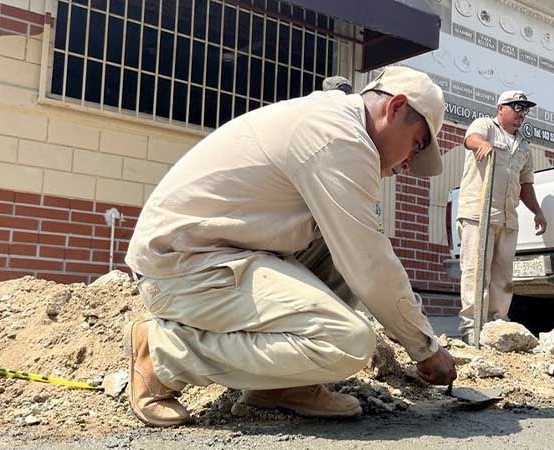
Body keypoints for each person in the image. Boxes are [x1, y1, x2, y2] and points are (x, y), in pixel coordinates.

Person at [123, 66, 457, 427]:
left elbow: (360, 253)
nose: (409, 163)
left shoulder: (335, 124)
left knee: (338, 243)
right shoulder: (339, 138)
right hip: (183, 269)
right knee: (348, 343)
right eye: (417, 144)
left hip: (220, 254)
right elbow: (372, 265)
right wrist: (425, 347)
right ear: (395, 109)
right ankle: (163, 355)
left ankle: (283, 386)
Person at [456, 90, 547, 342]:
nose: (521, 113)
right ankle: (471, 329)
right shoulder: (485, 126)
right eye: (516, 107)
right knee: (476, 271)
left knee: (503, 277)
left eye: (525, 109)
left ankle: (496, 327)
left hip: (507, 218)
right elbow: (470, 139)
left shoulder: (524, 147)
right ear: (500, 108)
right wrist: (482, 144)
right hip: (479, 213)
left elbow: (525, 184)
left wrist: (537, 211)